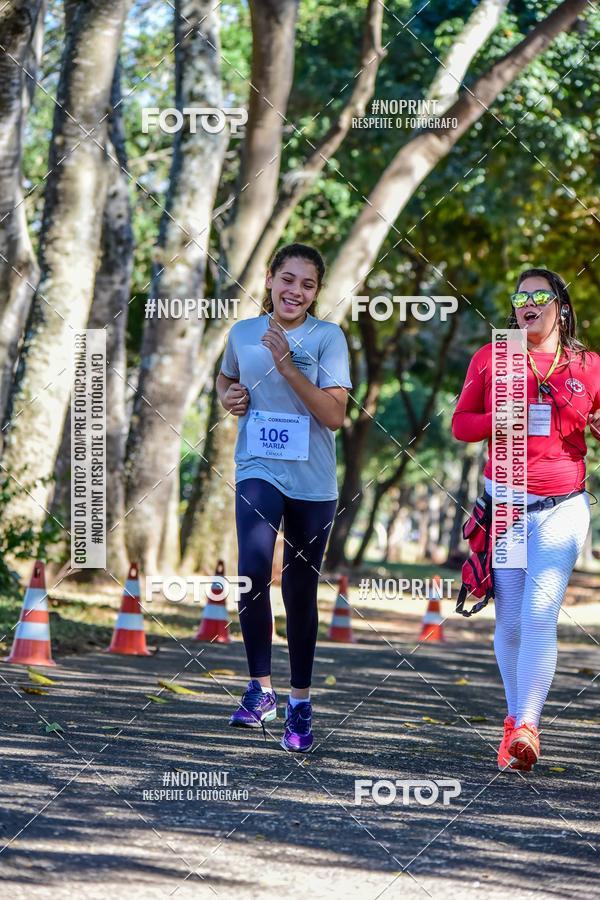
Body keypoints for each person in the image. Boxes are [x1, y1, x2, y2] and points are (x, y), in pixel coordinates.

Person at [452, 267, 600, 771]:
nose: (528, 303)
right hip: (507, 506)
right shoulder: (494, 359)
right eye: (520, 297)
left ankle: (529, 725)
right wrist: (497, 419)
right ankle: (515, 725)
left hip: (562, 506)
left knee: (540, 615)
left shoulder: (588, 365)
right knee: (511, 625)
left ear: (561, 305)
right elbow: (459, 424)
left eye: (540, 295)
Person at [216, 243, 351, 752]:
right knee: (252, 569)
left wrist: (288, 365)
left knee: (298, 588)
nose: (296, 291)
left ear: (316, 292)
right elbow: (228, 378)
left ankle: (299, 703)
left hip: (314, 482)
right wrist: (228, 396)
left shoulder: (328, 338)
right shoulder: (242, 332)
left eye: (308, 284)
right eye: (287, 279)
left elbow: (335, 415)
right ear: (269, 278)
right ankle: (259, 689)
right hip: (258, 467)